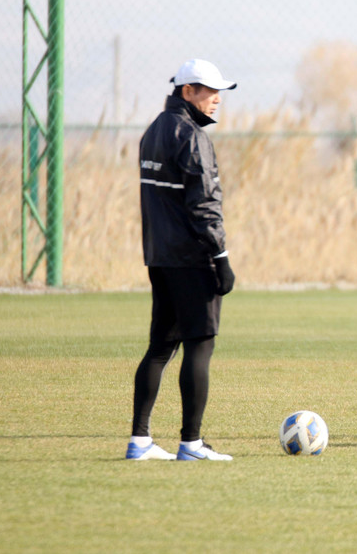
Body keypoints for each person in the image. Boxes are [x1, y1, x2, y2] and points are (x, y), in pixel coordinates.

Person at [126, 58, 238, 461]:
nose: (217, 99)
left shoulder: (153, 130)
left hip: (159, 257)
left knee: (160, 348)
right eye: (210, 91)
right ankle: (191, 444)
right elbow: (204, 204)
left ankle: (139, 441)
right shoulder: (192, 136)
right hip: (192, 259)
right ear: (187, 91)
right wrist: (221, 257)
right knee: (199, 346)